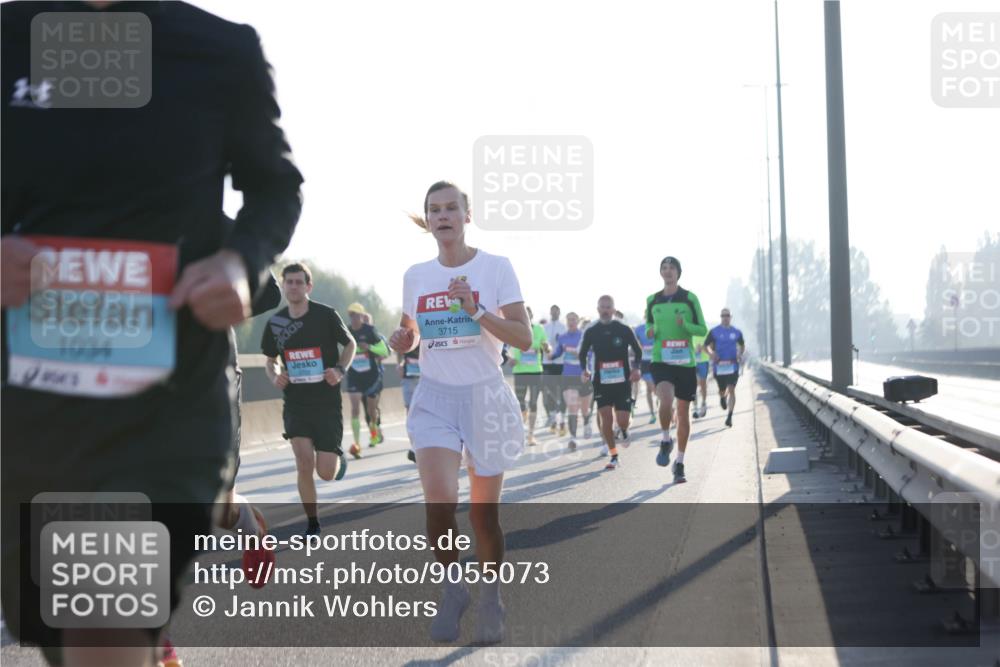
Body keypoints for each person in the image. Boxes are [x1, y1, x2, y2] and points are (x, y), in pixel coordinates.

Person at [1, 2, 303, 664]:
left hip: (166, 402)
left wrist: (239, 262)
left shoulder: (218, 49)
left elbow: (276, 187)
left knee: (102, 623)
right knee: (57, 632)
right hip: (24, 407)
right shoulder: (9, 38)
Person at [389, 180, 530, 645]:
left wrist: (477, 310)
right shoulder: (416, 276)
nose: (443, 215)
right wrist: (404, 340)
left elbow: (523, 337)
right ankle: (454, 589)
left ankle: (490, 598)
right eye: (435, 209)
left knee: (482, 516)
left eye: (451, 208)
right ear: (427, 220)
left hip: (484, 396)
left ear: (467, 216)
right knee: (440, 501)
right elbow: (411, 331)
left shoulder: (495, 267)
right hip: (435, 398)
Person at [261, 263, 354, 535]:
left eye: (298, 282)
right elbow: (270, 360)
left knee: (325, 472)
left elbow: (350, 344)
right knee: (303, 463)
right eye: (288, 282)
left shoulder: (325, 315)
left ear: (308, 286)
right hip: (296, 403)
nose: (293, 287)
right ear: (283, 286)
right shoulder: (276, 322)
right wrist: (275, 376)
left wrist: (339, 370)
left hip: (326, 403)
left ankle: (337, 459)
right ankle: (312, 523)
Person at [645, 256, 707, 484]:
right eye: (664, 267)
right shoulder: (652, 300)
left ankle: (679, 462)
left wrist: (686, 326)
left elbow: (702, 329)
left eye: (672, 268)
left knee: (682, 412)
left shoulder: (690, 298)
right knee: (665, 399)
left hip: (685, 363)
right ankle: (665, 439)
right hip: (661, 360)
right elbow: (649, 326)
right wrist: (650, 331)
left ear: (678, 272)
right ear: (660, 272)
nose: (668, 271)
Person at [579, 296, 643, 471]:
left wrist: (636, 368)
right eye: (602, 307)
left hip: (622, 381)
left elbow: (638, 351)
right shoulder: (592, 331)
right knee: (606, 418)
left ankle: (623, 429)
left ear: (614, 310)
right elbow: (582, 353)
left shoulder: (623, 329)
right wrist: (584, 369)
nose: (605, 310)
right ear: (598, 309)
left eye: (608, 307)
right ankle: (614, 455)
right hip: (601, 381)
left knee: (622, 420)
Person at [345, 302, 390, 457]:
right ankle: (357, 444)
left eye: (356, 315)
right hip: (354, 376)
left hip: (371, 377)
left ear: (362, 316)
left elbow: (384, 351)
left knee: (372, 411)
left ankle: (374, 433)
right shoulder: (347, 331)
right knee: (355, 409)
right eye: (351, 315)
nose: (353, 318)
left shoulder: (370, 331)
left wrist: (369, 347)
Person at [509, 307, 548, 447]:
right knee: (520, 403)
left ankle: (531, 435)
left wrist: (547, 348)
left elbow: (545, 344)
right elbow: (507, 349)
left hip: (535, 371)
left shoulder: (539, 329)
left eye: (528, 313)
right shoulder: (514, 328)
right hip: (519, 371)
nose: (526, 315)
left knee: (533, 403)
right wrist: (510, 358)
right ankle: (522, 426)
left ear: (531, 315)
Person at [705, 308, 746, 428]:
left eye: (727, 315)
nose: (725, 317)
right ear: (720, 317)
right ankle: (723, 397)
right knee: (722, 390)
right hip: (719, 366)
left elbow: (742, 345)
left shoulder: (736, 332)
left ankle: (729, 417)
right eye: (723, 315)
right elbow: (706, 346)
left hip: (733, 366)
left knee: (732, 389)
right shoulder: (714, 331)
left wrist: (739, 353)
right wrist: (712, 353)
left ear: (730, 317)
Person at [551, 312, 586, 450]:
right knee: (572, 407)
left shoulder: (584, 336)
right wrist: (550, 354)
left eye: (573, 319)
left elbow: (590, 353)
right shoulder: (562, 337)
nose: (571, 322)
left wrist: (581, 354)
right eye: (569, 320)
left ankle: (586, 423)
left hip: (583, 376)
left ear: (578, 321)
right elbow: (558, 352)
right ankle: (573, 437)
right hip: (568, 375)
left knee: (584, 409)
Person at [541, 304, 567, 434]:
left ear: (559, 312)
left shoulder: (563, 327)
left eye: (556, 311)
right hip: (547, 362)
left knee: (561, 391)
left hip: (560, 363)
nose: (554, 313)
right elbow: (542, 342)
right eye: (552, 311)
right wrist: (547, 351)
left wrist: (557, 351)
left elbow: (565, 344)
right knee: (548, 389)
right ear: (550, 312)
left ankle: (561, 416)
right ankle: (551, 415)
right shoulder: (545, 327)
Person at [398, 345, 421, 463]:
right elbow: (399, 349)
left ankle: (419, 445)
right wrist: (400, 364)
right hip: (409, 379)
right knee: (410, 412)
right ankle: (414, 446)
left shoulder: (428, 335)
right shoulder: (408, 335)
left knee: (424, 412)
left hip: (425, 379)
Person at [633, 321, 658, 423]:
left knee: (657, 389)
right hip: (645, 362)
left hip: (658, 361)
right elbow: (633, 343)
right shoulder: (638, 329)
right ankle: (652, 414)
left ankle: (660, 403)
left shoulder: (659, 325)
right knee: (649, 388)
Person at [691, 333, 710, 418]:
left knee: (703, 384)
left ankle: (704, 403)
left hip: (703, 361)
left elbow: (711, 345)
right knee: (693, 385)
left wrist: (703, 348)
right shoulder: (690, 330)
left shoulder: (705, 331)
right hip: (692, 362)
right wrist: (694, 350)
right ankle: (695, 408)